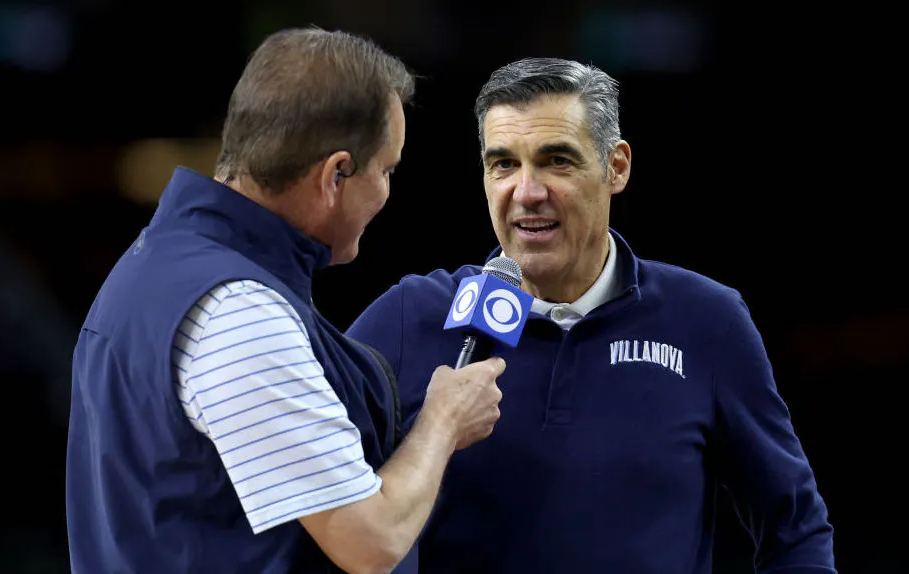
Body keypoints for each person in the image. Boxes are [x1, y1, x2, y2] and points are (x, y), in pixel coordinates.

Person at [346, 57, 836, 573]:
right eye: (504, 164)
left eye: (557, 160)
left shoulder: (707, 322)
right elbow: (308, 496)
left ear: (616, 167)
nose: (527, 193)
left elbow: (795, 528)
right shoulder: (412, 316)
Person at [65, 27, 506, 574]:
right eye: (387, 171)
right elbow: (370, 541)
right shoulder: (237, 313)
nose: (388, 193)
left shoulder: (158, 263)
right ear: (335, 174)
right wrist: (443, 420)